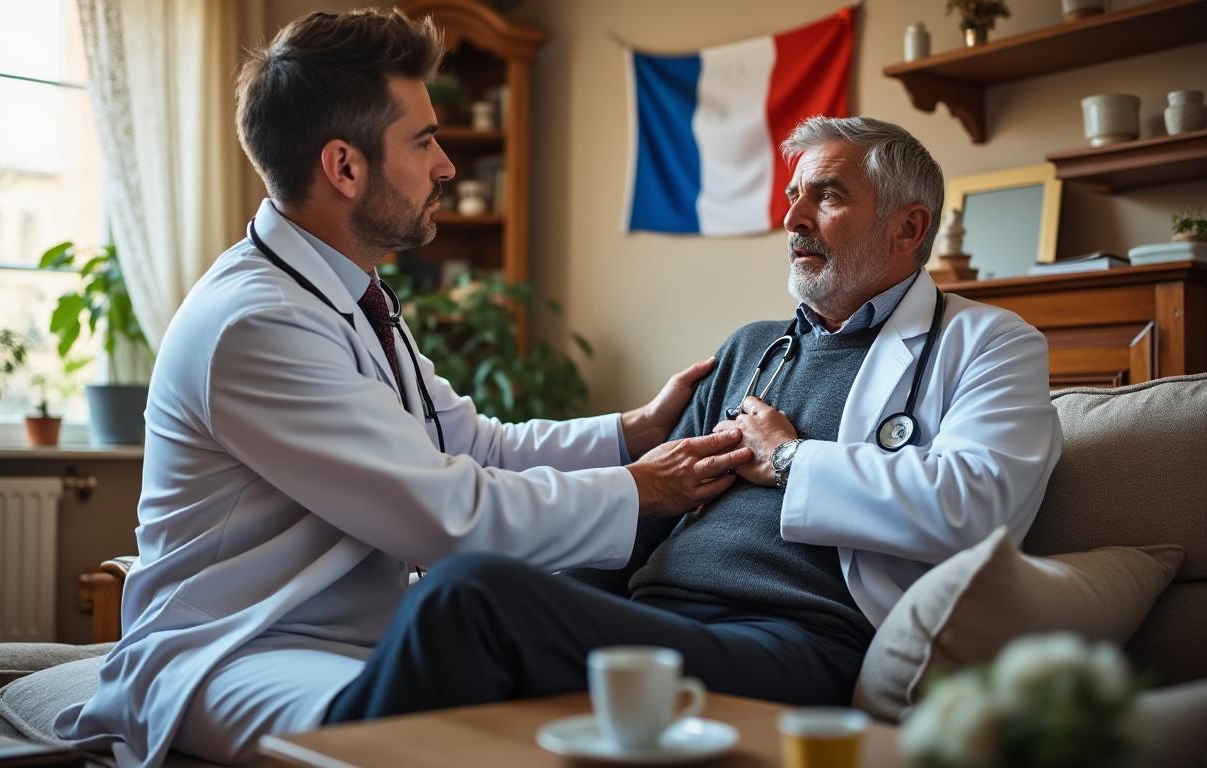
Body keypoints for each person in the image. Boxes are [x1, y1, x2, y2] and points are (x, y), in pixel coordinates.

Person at [53, 9, 752, 767]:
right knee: (427, 728)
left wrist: (633, 433)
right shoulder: (256, 324)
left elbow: (470, 443)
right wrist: (641, 490)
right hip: (238, 646)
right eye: (423, 142)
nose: (447, 165)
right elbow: (444, 514)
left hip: (349, 635)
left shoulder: (350, 296)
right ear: (344, 167)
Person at [322, 115, 1065, 723]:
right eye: (794, 194)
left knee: (470, 595)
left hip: (794, 641)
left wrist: (792, 459)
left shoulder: (988, 345)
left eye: (827, 196)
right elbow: (649, 512)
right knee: (459, 581)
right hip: (656, 611)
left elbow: (980, 508)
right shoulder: (750, 349)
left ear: (909, 230)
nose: (793, 217)